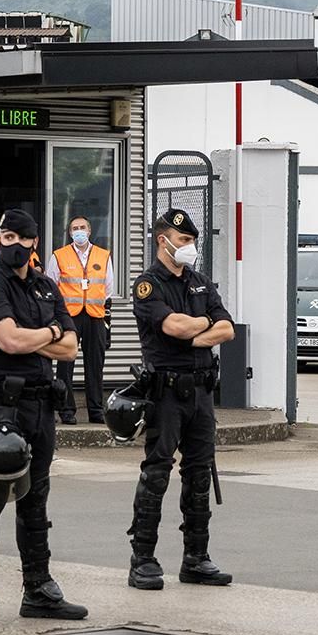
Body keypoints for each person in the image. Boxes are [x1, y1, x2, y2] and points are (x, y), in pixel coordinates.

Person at [0, 208, 88, 627]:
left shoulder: (46, 286)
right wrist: (49, 334)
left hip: (41, 405)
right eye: (5, 236)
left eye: (20, 237)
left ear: (35, 241)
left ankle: (39, 589)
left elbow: (72, 348)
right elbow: (9, 340)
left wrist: (46, 338)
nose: (12, 244)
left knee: (36, 500)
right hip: (2, 407)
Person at [127, 208, 237, 591]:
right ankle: (143, 559)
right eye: (185, 240)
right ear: (164, 240)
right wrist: (199, 325)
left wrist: (194, 332)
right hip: (167, 393)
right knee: (157, 473)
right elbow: (171, 325)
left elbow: (227, 328)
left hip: (202, 392)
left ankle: (196, 558)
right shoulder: (148, 285)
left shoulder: (200, 282)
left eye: (192, 240)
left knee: (199, 474)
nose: (190, 247)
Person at [50, 216, 114, 426]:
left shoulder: (103, 256)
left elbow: (108, 288)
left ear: (89, 230)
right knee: (65, 364)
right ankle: (66, 410)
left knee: (95, 365)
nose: (79, 231)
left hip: (95, 315)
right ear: (70, 234)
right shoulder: (59, 256)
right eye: (74, 228)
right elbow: (52, 285)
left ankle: (96, 410)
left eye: (82, 228)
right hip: (69, 316)